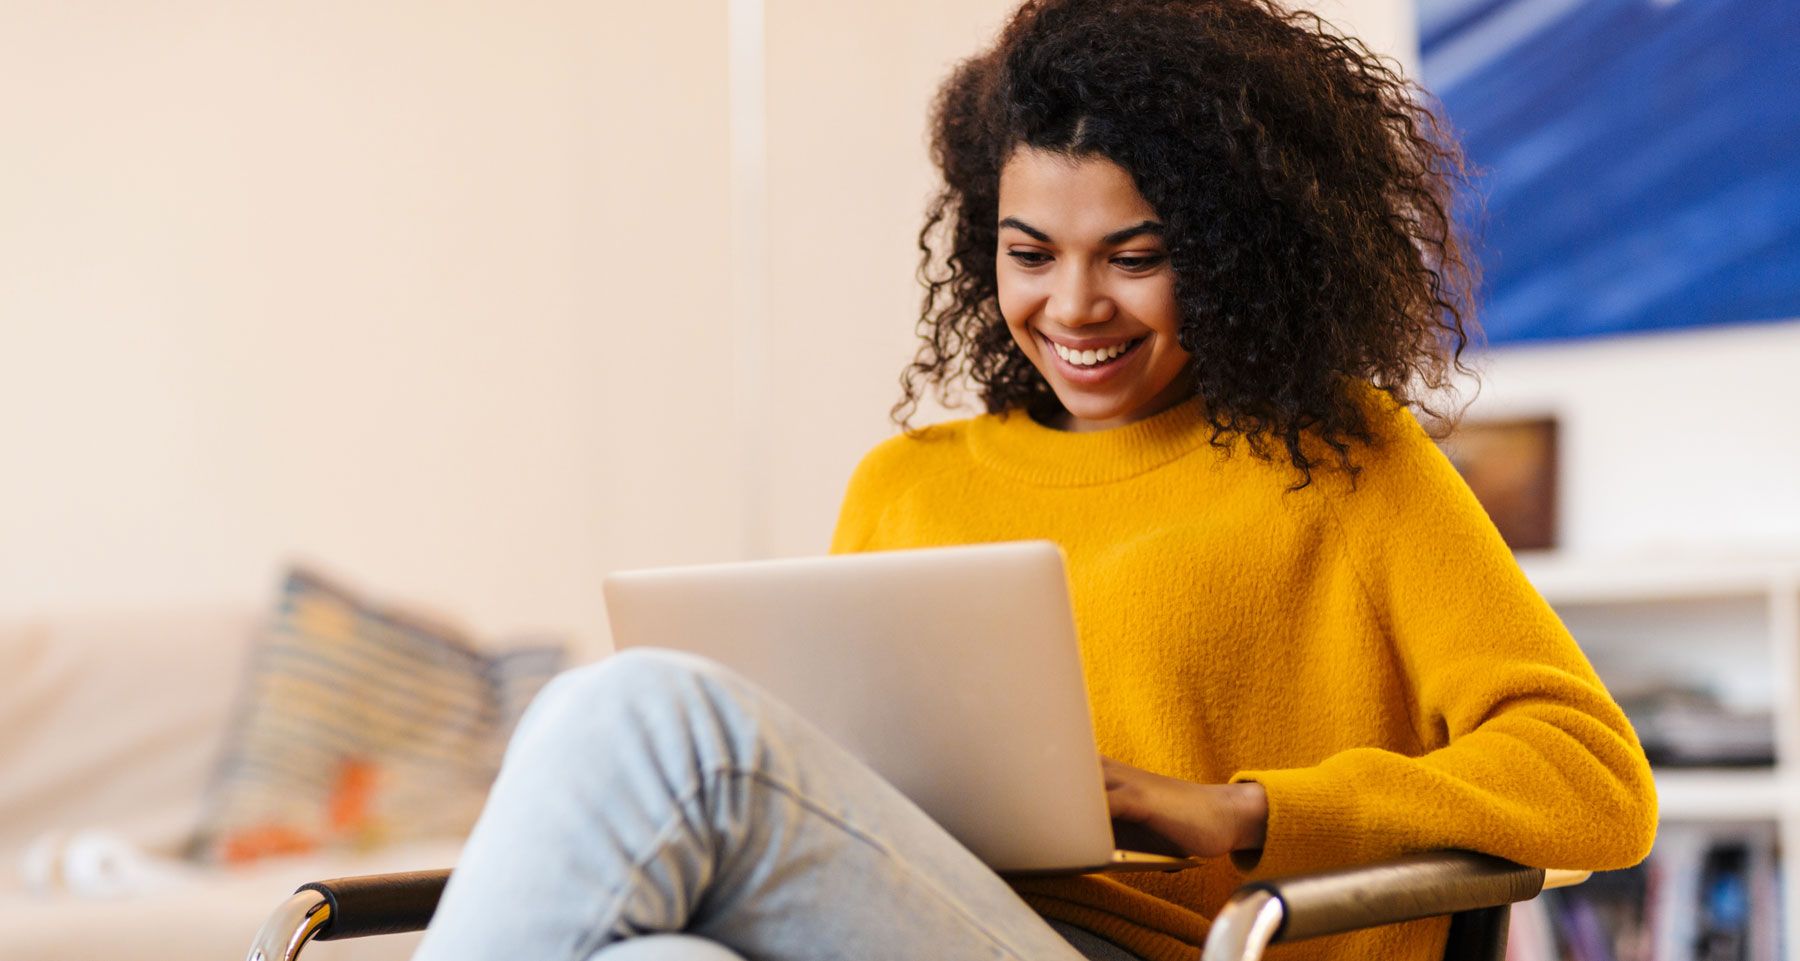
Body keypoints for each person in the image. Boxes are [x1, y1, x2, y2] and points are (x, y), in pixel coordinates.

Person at [412, 1, 1658, 959]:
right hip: (925, 917)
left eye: (1136, 256)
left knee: (631, 714)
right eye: (1030, 253)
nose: (1073, 307)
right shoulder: (906, 483)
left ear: (1234, 252)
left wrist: (1244, 811)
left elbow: (1597, 782)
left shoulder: (1343, 462)